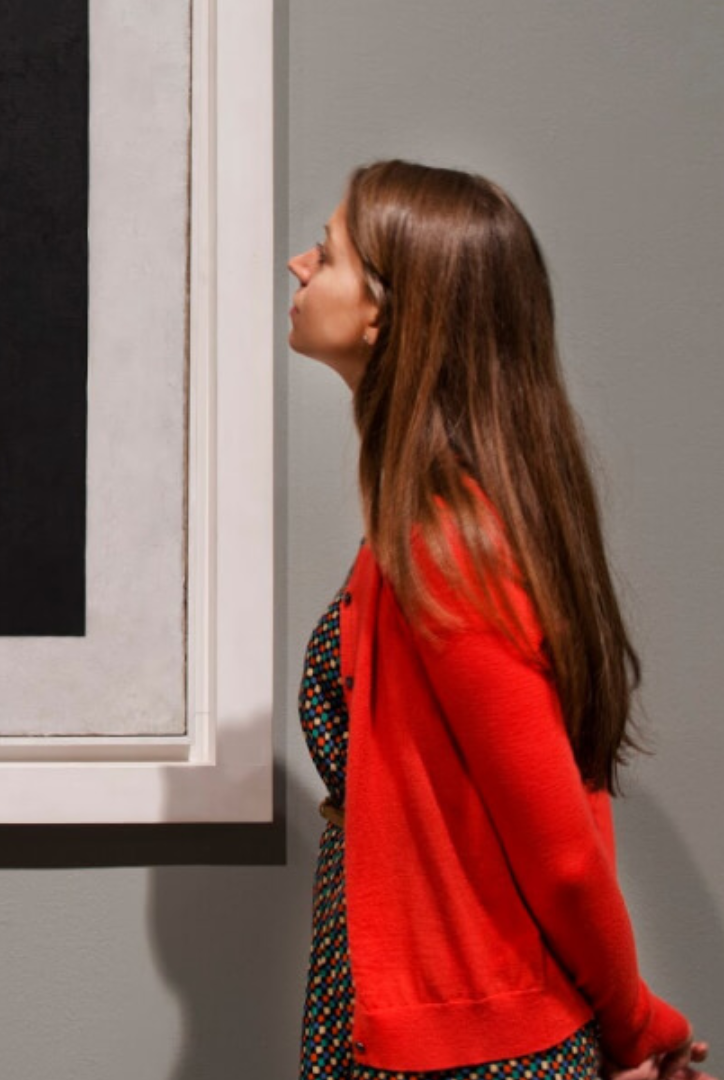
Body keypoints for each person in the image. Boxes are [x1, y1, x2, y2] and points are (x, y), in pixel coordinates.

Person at [290, 160, 713, 1080]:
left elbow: (561, 849)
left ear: (383, 313)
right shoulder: (419, 526)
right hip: (444, 1028)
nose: (299, 265)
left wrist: (637, 1026)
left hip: (472, 1052)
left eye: (327, 253)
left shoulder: (443, 541)